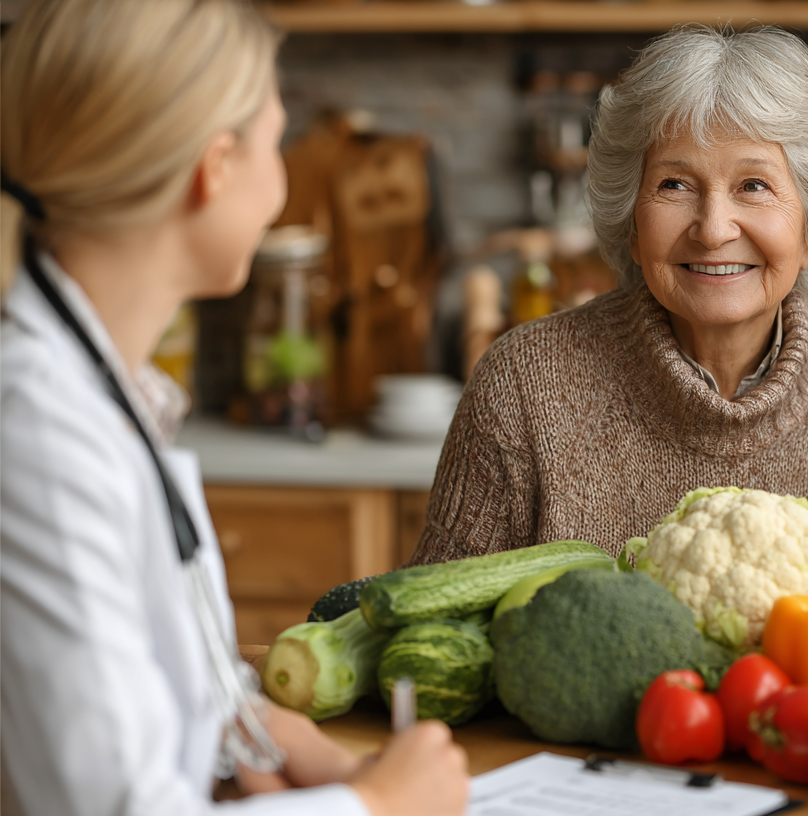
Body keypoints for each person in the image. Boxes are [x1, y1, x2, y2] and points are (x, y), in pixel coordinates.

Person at [0, 1, 469, 814]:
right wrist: (382, 806)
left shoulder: (103, 393)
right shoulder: (36, 430)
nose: (282, 184)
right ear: (214, 168)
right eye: (274, 143)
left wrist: (248, 729)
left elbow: (138, 690)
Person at [410, 25, 808, 565]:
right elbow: (434, 628)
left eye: (755, 185)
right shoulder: (524, 383)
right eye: (674, 185)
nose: (713, 228)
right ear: (631, 224)